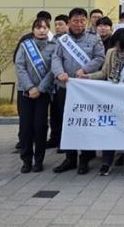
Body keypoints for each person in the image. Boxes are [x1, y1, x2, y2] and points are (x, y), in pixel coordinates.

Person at [82, 28, 124, 177]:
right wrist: (88, 77)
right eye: (116, 45)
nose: (118, 48)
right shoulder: (110, 53)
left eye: (121, 46)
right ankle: (106, 162)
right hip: (111, 97)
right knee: (109, 129)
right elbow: (104, 73)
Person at [51, 7, 105, 175]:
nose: (79, 24)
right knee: (66, 123)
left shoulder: (94, 38)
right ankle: (70, 158)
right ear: (69, 22)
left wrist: (85, 69)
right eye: (75, 21)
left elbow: (100, 58)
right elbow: (55, 58)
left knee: (85, 122)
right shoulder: (62, 40)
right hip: (65, 87)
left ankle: (85, 158)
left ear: (86, 22)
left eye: (82, 21)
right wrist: (59, 73)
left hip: (85, 89)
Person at [14, 17, 56, 173]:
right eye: (38, 27)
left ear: (48, 29)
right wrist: (30, 87)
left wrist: (40, 88)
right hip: (25, 92)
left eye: (45, 27)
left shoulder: (54, 46)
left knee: (40, 126)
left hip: (43, 93)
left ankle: (39, 160)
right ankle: (26, 160)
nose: (41, 30)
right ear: (33, 29)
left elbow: (53, 70)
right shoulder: (25, 45)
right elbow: (20, 67)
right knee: (25, 126)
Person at [47, 13, 69, 150]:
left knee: (63, 113)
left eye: (60, 24)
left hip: (66, 82)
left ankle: (64, 141)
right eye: (55, 24)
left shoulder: (70, 41)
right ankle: (54, 138)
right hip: (52, 82)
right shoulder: (52, 41)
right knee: (54, 113)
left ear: (68, 25)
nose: (57, 27)